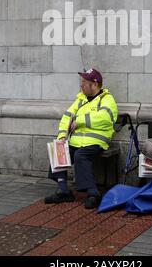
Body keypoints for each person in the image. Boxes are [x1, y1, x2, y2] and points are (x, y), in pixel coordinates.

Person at [44, 68, 118, 209]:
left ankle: (93, 193)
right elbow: (67, 117)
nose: (81, 85)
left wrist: (80, 121)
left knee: (80, 155)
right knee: (57, 149)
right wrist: (62, 136)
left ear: (95, 84)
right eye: (81, 82)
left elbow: (106, 118)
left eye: (84, 82)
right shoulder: (80, 99)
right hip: (77, 141)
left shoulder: (107, 99)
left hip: (96, 141)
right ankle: (64, 189)